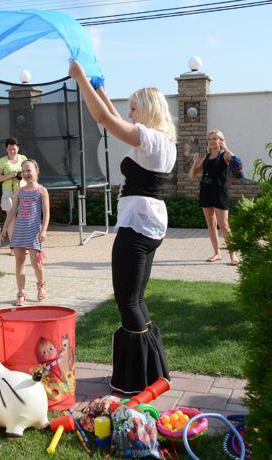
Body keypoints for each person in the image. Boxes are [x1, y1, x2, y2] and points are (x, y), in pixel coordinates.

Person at [69, 60, 173, 394]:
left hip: (137, 225)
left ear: (147, 110)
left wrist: (80, 79)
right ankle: (152, 371)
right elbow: (111, 115)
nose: (129, 114)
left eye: (134, 109)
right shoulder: (162, 141)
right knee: (136, 299)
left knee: (127, 301)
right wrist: (99, 87)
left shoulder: (148, 138)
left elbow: (103, 120)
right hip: (150, 223)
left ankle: (138, 378)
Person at [0, 160, 50, 306]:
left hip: (34, 231)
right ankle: (21, 292)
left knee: (36, 263)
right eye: (24, 171)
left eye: (29, 170)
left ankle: (41, 285)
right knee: (19, 262)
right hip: (19, 231)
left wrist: (44, 230)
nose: (26, 174)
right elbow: (12, 211)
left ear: (36, 171)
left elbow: (46, 213)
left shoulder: (41, 190)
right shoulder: (19, 192)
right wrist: (5, 227)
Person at [189, 130, 240, 265]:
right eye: (210, 139)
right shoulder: (206, 157)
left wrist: (226, 147)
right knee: (211, 225)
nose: (212, 141)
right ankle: (217, 253)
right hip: (206, 192)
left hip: (219, 192)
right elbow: (192, 175)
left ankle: (233, 255)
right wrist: (195, 162)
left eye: (215, 138)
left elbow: (235, 161)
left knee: (224, 225)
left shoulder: (225, 155)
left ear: (220, 140)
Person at [0, 137, 29, 255]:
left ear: (18, 148)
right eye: (10, 149)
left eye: (14, 149)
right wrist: (10, 175)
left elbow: (30, 172)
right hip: (8, 192)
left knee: (24, 217)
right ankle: (13, 246)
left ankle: (24, 244)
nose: (12, 151)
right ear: (6, 149)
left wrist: (22, 175)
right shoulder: (2, 161)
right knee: (11, 218)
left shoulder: (23, 158)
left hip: (23, 191)